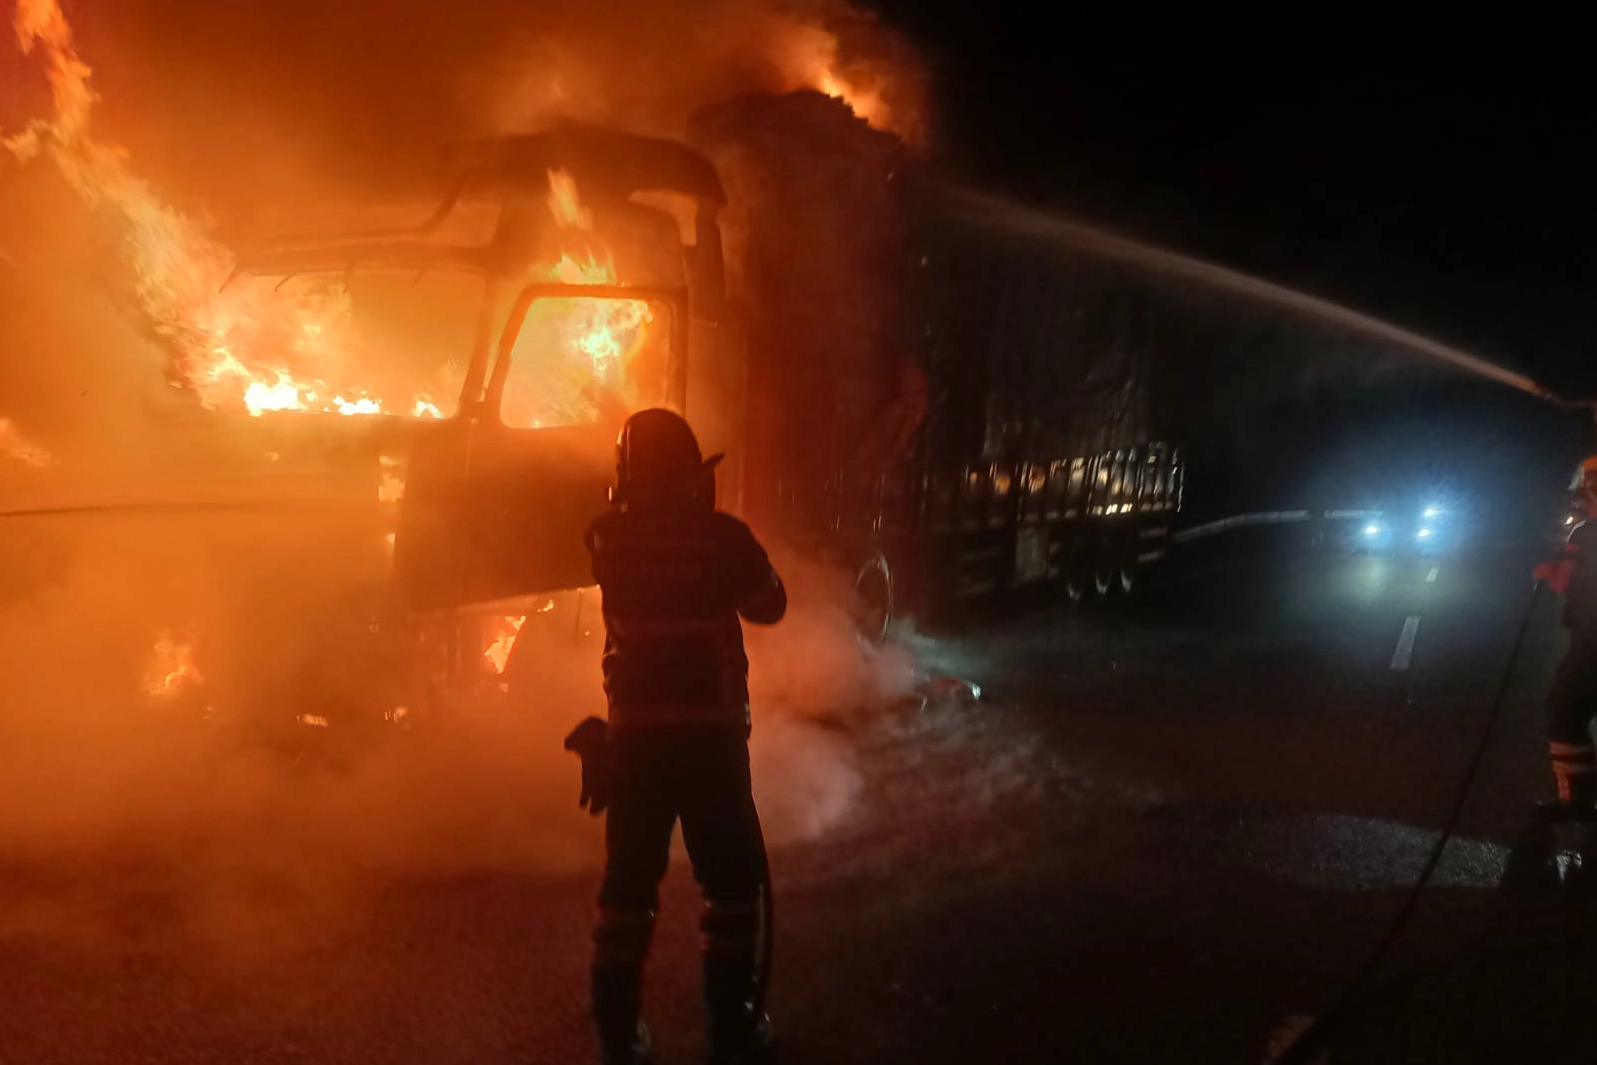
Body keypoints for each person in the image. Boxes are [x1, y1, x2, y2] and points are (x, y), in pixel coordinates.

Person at [580, 408, 786, 1065]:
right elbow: (770, 605)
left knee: (626, 891)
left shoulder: (606, 538)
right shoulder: (722, 539)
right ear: (690, 475)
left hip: (634, 742)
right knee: (731, 887)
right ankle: (731, 1030)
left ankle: (618, 1037)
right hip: (710, 742)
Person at [1535, 455, 1597, 809]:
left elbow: (1562, 582)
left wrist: (1546, 569)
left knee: (1564, 709)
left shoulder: (1586, 533)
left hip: (1591, 642)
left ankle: (1577, 799)